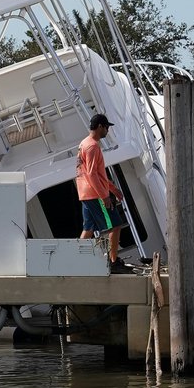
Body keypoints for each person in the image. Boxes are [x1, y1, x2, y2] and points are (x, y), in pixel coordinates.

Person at [76, 113, 127, 273]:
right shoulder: (92, 147)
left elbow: (96, 173)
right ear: (100, 127)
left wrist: (113, 189)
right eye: (107, 128)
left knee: (88, 229)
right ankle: (113, 262)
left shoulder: (84, 143)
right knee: (116, 225)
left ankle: (72, 259)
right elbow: (92, 174)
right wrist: (105, 196)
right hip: (95, 194)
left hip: (85, 193)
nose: (108, 131)